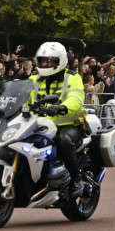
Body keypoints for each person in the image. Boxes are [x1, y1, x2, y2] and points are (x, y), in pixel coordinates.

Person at [28, 42, 87, 197]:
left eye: (50, 61)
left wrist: (62, 107)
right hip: (41, 125)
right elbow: (22, 95)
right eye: (43, 61)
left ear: (60, 61)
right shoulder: (34, 78)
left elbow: (77, 98)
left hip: (69, 124)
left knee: (63, 139)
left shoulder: (72, 77)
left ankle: (76, 179)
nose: (46, 64)